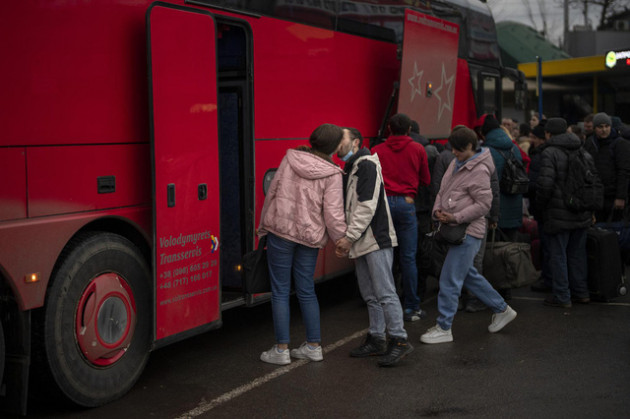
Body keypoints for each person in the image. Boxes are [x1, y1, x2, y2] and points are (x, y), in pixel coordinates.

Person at [257, 123, 347, 365]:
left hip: (281, 233)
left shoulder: (290, 160)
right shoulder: (333, 173)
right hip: (309, 238)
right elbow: (334, 213)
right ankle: (314, 345)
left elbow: (272, 193)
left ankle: (281, 349)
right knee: (306, 289)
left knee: (280, 291)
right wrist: (341, 240)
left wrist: (263, 225)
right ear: (334, 146)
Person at [420, 126, 517, 344]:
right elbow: (443, 191)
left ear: (471, 147)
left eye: (459, 150)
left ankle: (444, 327)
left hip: (467, 232)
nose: (454, 153)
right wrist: (438, 211)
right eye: (453, 149)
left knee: (449, 278)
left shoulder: (480, 169)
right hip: (461, 230)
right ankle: (502, 309)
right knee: (465, 275)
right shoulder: (460, 162)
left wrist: (454, 217)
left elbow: (484, 205)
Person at [335, 128, 413, 367]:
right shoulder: (354, 166)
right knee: (371, 294)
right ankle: (378, 338)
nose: (338, 145)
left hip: (374, 239)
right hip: (364, 239)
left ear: (356, 142)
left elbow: (367, 206)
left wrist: (349, 237)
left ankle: (399, 340)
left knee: (385, 292)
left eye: (342, 140)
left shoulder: (366, 165)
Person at [372, 113, 431, 322]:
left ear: (389, 128)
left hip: (384, 205)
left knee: (384, 258)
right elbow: (426, 179)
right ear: (409, 130)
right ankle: (412, 306)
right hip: (406, 204)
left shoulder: (376, 150)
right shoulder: (417, 149)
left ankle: (386, 304)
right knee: (408, 258)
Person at [535, 118, 592, 307]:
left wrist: (540, 206)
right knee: (577, 255)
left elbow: (545, 184)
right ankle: (581, 292)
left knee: (558, 255)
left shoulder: (549, 152)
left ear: (548, 134)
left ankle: (562, 296)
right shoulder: (582, 149)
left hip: (558, 213)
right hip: (580, 211)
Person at [584, 112, 630, 223]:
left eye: (606, 126)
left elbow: (624, 171)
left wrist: (620, 197)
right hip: (596, 195)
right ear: (595, 128)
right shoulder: (590, 143)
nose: (604, 130)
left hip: (613, 195)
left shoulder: (620, 144)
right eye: (600, 127)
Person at [528, 124, 553, 293]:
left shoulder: (541, 156)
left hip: (546, 209)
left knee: (549, 247)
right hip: (560, 208)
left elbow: (538, 185)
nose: (531, 140)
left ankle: (549, 279)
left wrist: (537, 204)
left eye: (534, 137)